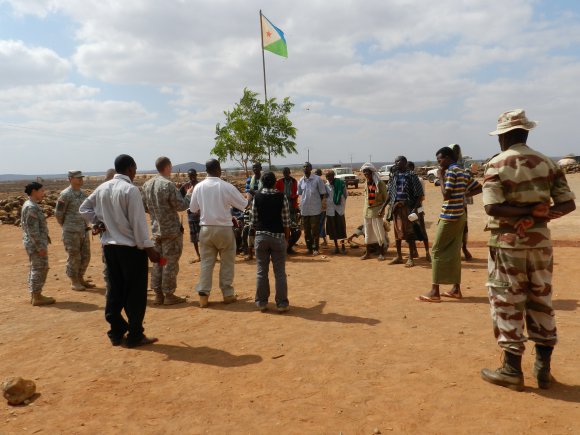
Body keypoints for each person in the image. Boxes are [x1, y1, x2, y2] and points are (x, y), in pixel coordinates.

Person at [480, 109, 575, 391]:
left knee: (507, 302)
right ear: (526, 132)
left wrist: (523, 213)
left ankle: (511, 370)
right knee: (541, 299)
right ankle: (543, 368)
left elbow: (492, 207)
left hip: (508, 244)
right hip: (541, 244)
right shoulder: (547, 162)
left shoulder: (497, 163)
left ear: (505, 136)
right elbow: (567, 204)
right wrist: (538, 216)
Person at [80, 154, 161, 348]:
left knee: (115, 291)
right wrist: (150, 250)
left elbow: (84, 208)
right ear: (131, 169)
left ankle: (116, 332)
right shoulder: (130, 190)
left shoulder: (102, 188)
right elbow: (139, 224)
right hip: (131, 250)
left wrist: (97, 222)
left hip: (110, 248)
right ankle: (135, 335)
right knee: (135, 295)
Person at [416, 146, 481, 303]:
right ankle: (456, 289)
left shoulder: (451, 171)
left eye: (440, 160)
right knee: (453, 251)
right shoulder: (463, 171)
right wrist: (463, 196)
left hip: (450, 216)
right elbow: (478, 188)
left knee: (437, 250)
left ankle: (435, 291)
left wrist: (440, 176)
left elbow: (446, 195)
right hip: (461, 215)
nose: (439, 163)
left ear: (447, 158)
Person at [190, 159, 248, 308]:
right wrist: (249, 197)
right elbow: (243, 205)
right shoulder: (226, 186)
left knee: (206, 263)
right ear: (218, 169)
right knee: (227, 262)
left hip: (206, 229)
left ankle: (203, 295)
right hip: (224, 228)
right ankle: (227, 294)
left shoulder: (199, 187)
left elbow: (193, 209)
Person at [142, 157, 190, 305]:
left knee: (159, 262)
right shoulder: (168, 185)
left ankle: (158, 294)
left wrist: (158, 215)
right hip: (171, 233)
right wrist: (188, 194)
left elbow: (144, 207)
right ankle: (169, 295)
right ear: (168, 167)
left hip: (156, 231)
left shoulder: (147, 185)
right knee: (169, 263)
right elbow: (181, 205)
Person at [251, 172, 291, 312]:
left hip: (261, 237)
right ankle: (281, 304)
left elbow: (253, 220)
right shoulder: (282, 197)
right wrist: (286, 239)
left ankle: (262, 302)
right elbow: (286, 222)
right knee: (279, 272)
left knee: (262, 271)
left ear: (262, 182)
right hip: (278, 236)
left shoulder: (257, 197)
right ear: (275, 183)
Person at [55, 170, 93, 291]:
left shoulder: (83, 194)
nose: (81, 180)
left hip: (83, 230)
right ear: (70, 179)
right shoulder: (65, 195)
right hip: (71, 231)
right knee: (74, 256)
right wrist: (66, 226)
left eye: (81, 178)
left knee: (86, 255)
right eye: (78, 178)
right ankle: (74, 281)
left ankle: (80, 277)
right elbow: (59, 214)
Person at [21, 182, 55, 306]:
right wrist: (40, 247)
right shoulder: (31, 207)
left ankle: (35, 294)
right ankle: (37, 296)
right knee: (40, 268)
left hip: (34, 243)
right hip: (35, 244)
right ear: (34, 191)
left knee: (37, 268)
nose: (43, 193)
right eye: (41, 191)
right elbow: (33, 231)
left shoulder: (31, 205)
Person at [386, 156, 423, 267]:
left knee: (409, 233)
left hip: (407, 207)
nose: (397, 163)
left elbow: (419, 194)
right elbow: (390, 194)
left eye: (399, 161)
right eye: (395, 161)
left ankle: (411, 258)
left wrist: (413, 209)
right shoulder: (394, 176)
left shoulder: (412, 176)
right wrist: (384, 207)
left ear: (405, 162)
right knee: (397, 233)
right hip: (396, 207)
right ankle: (399, 256)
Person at [297, 162, 327, 256]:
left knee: (315, 231)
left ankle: (315, 248)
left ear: (311, 168)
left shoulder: (317, 179)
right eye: (304, 167)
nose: (305, 168)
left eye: (307, 167)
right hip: (305, 210)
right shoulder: (301, 181)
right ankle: (309, 248)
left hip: (315, 209)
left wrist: (318, 204)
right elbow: (300, 193)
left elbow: (322, 194)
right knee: (306, 231)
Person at [360, 163, 388, 261]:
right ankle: (368, 253)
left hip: (377, 212)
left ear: (372, 172)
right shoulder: (365, 183)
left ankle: (381, 253)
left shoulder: (380, 183)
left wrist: (382, 210)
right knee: (367, 232)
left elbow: (386, 198)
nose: (366, 174)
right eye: (364, 173)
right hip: (367, 212)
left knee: (379, 233)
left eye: (367, 172)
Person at [452, 144, 474, 260]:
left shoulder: (462, 168)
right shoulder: (450, 167)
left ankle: (464, 248)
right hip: (454, 204)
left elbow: (474, 185)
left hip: (460, 204)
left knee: (463, 227)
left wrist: (464, 195)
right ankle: (458, 250)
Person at [406, 161, 430, 262]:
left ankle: (427, 253)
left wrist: (415, 209)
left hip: (418, 208)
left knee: (422, 230)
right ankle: (414, 251)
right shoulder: (406, 179)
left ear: (411, 168)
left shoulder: (419, 180)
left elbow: (421, 197)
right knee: (411, 231)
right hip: (410, 209)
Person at [179, 168, 201, 263]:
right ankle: (199, 256)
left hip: (202, 214)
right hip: (191, 214)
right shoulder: (185, 186)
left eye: (193, 175)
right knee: (194, 236)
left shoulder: (201, 185)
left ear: (196, 175)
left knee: (204, 235)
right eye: (190, 176)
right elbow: (180, 200)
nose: (191, 177)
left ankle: (206, 255)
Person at [325, 170, 348, 254]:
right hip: (330, 210)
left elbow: (345, 195)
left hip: (339, 210)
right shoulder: (326, 186)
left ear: (333, 176)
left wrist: (340, 204)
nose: (329, 178)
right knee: (333, 229)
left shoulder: (341, 183)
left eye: (330, 176)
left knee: (341, 228)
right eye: (327, 176)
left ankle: (343, 246)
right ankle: (336, 247)